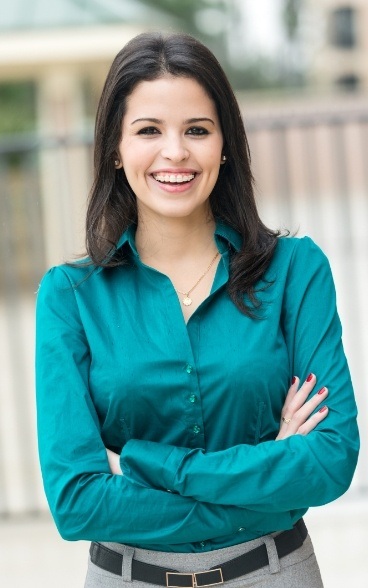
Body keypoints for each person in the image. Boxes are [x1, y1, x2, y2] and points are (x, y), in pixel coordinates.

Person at [35, 32, 359, 588]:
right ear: (115, 148)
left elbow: (329, 461)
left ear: (225, 143)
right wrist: (270, 475)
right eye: (148, 131)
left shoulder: (296, 271)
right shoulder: (69, 296)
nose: (175, 152)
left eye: (197, 130)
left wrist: (144, 464)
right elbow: (78, 501)